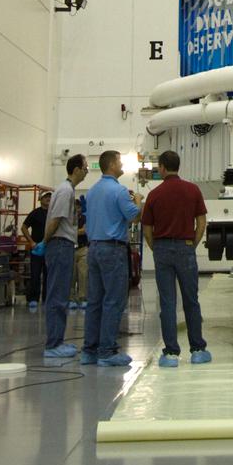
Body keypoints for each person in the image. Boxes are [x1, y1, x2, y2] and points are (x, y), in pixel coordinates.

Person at [142, 150, 211, 368]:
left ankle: (171, 353)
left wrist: (156, 247)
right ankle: (198, 349)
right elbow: (201, 223)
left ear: (162, 167)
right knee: (191, 300)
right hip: (186, 248)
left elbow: (146, 228)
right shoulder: (193, 190)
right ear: (178, 166)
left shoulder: (154, 194)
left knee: (168, 302)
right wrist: (192, 244)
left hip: (162, 250)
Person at [81, 151, 141, 367]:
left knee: (95, 301)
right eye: (120, 161)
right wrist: (138, 201)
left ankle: (89, 351)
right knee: (114, 300)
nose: (122, 164)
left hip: (94, 248)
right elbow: (134, 216)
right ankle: (107, 351)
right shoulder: (119, 191)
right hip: (113, 249)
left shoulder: (93, 191)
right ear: (111, 164)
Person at [41, 155, 88, 358]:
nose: (87, 170)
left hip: (64, 244)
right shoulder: (65, 191)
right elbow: (55, 220)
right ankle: (53, 344)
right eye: (85, 167)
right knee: (58, 295)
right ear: (76, 169)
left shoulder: (68, 190)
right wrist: (45, 241)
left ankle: (57, 340)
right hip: (59, 244)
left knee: (61, 294)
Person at [21, 191, 51, 309]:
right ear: (40, 199)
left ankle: (46, 298)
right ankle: (33, 298)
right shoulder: (35, 213)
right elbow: (24, 227)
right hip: (37, 249)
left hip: (50, 249)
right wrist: (31, 242)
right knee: (35, 274)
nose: (48, 199)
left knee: (49, 275)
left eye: (50, 197)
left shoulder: (54, 214)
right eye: (46, 197)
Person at [69, 200, 88, 310]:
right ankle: (71, 299)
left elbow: (84, 231)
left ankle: (83, 298)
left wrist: (70, 231)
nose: (76, 209)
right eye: (74, 207)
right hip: (70, 249)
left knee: (83, 274)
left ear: (81, 208)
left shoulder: (85, 218)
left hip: (83, 249)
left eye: (78, 207)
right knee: (71, 276)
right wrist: (77, 231)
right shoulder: (67, 219)